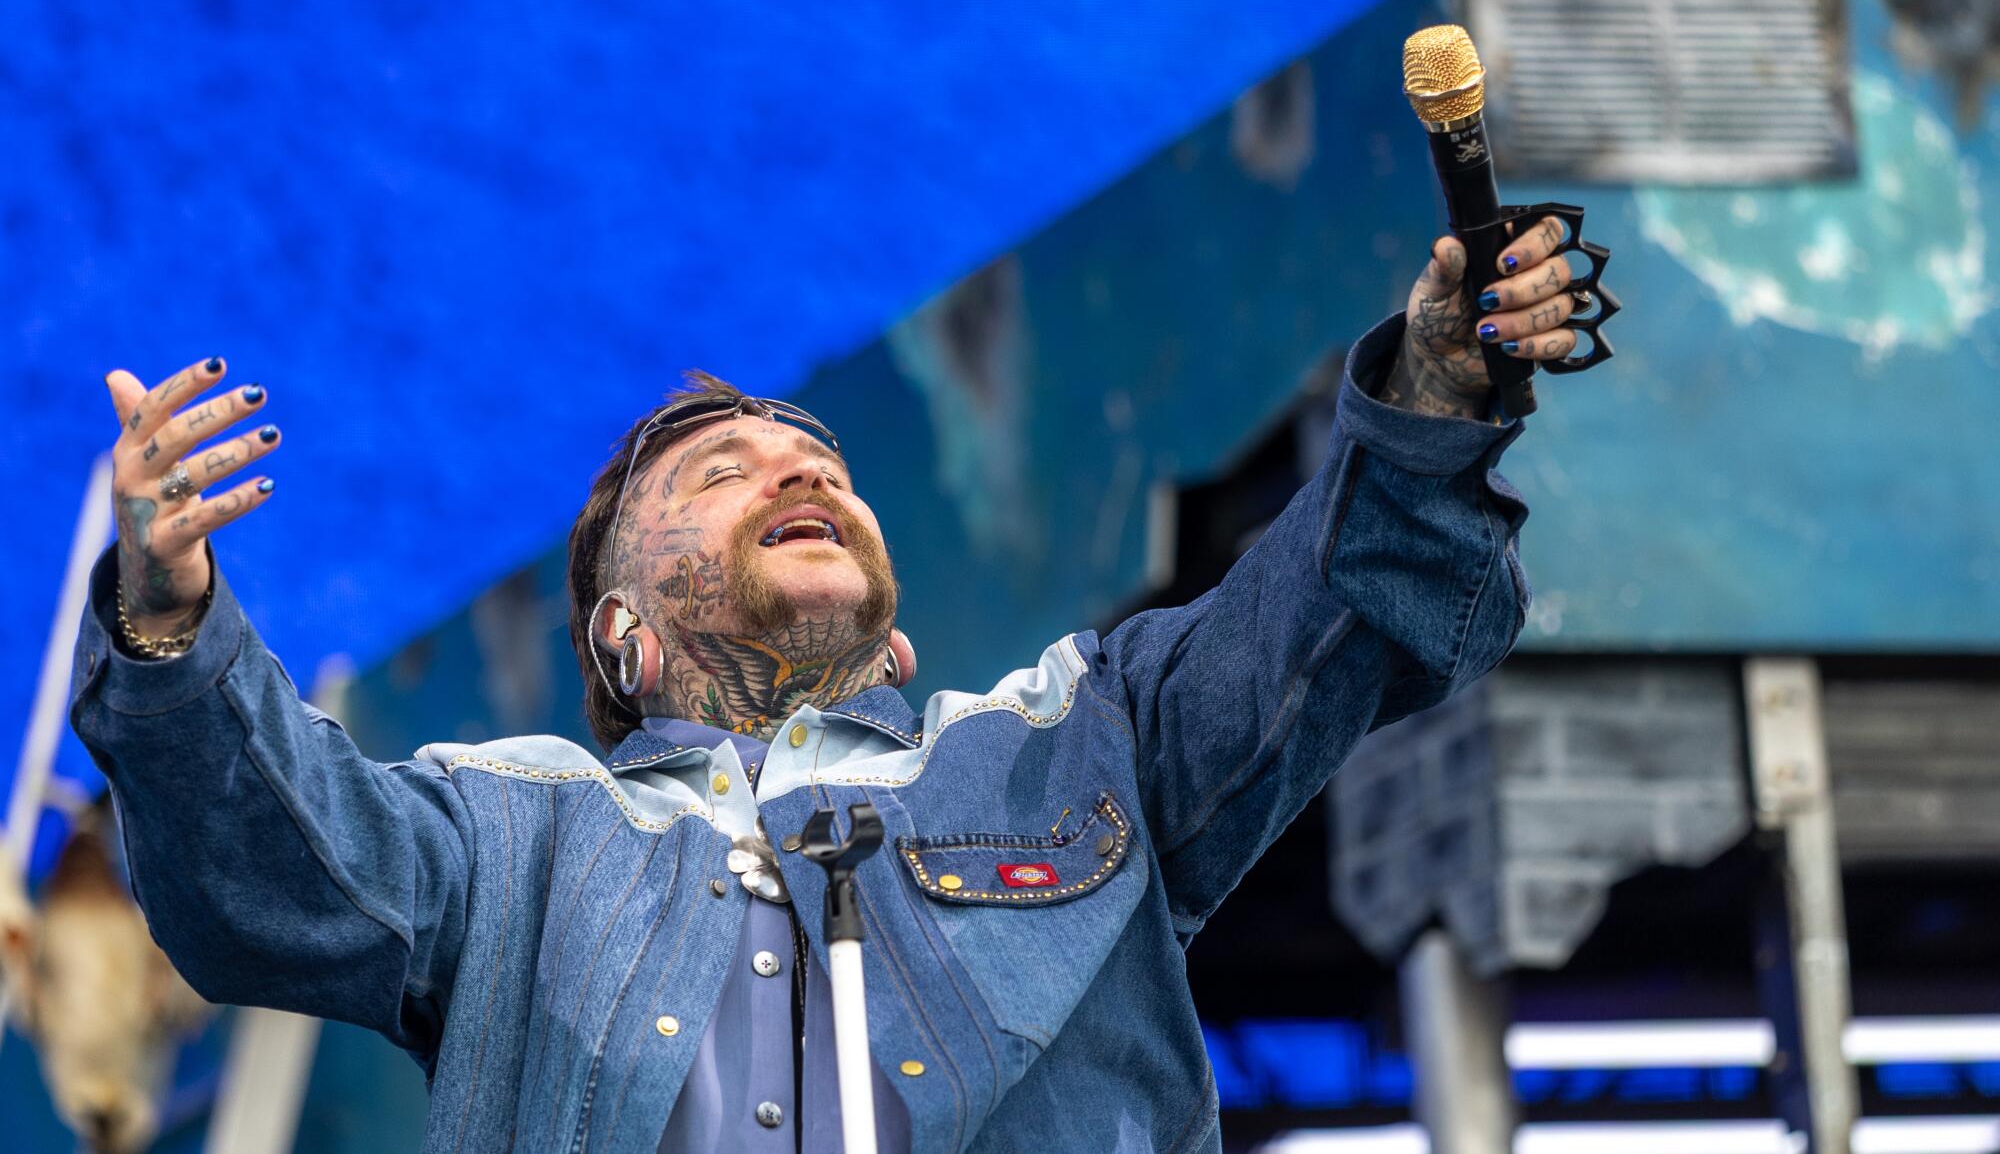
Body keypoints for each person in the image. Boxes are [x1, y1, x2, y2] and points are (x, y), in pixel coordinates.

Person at [72, 221, 1588, 1152]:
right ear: (621, 639)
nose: (794, 468)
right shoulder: (507, 836)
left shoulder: (1086, 744)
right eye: (721, 471)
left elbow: (1326, 610)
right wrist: (165, 610)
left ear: (897, 634)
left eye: (822, 468)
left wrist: (1436, 394)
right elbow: (262, 870)